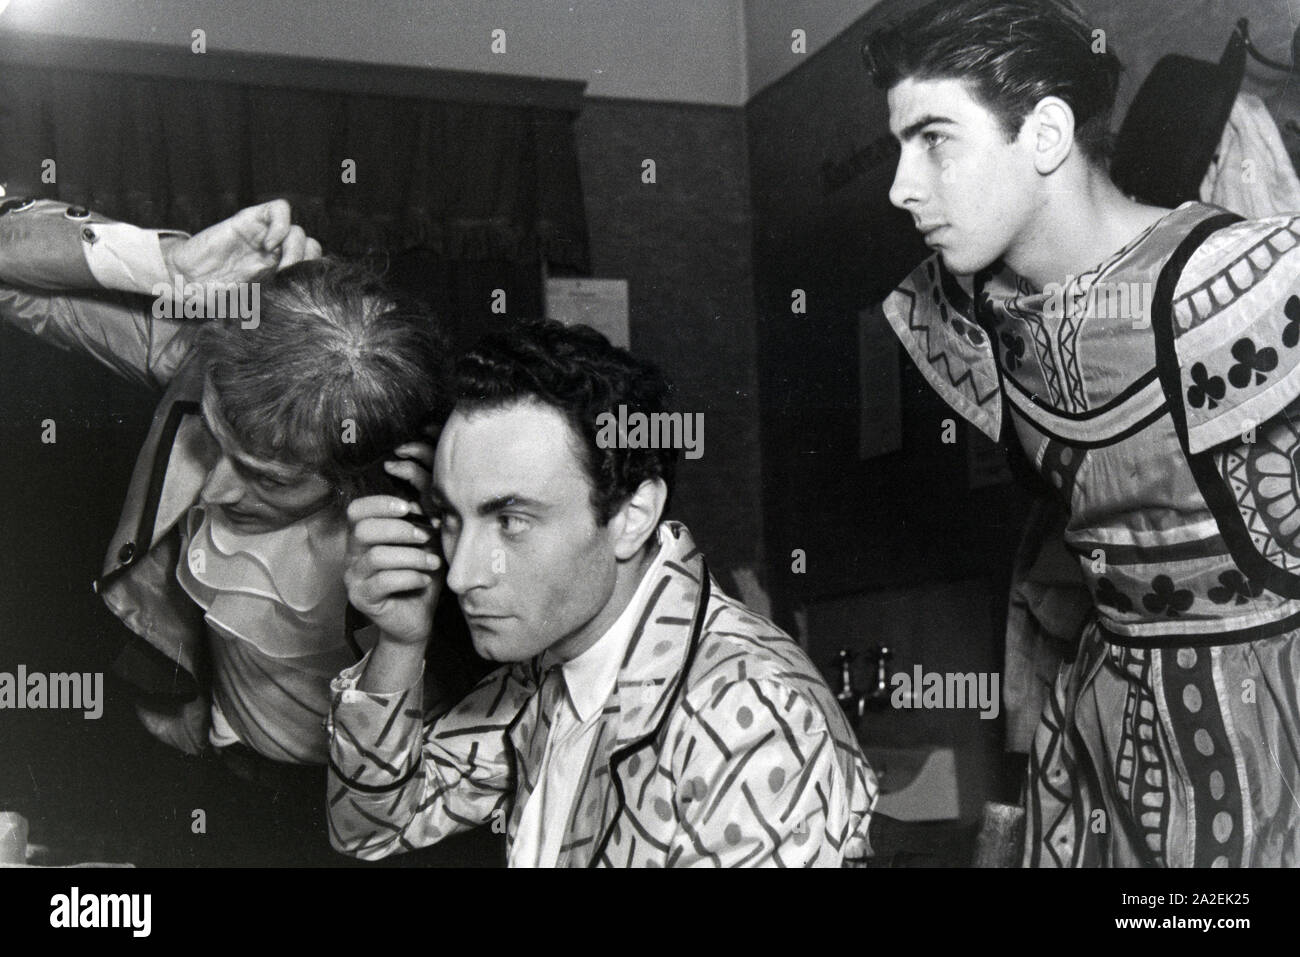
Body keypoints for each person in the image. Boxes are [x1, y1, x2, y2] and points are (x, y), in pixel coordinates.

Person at [865, 0, 1300, 866]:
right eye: (898, 146)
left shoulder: (1234, 288)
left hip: (1269, 748)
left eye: (936, 139)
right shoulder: (971, 322)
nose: (901, 186)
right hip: (1103, 746)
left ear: (1047, 133)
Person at [0, 197, 487, 863]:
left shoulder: (450, 522)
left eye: (269, 476)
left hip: (383, 821)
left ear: (360, 468)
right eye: (210, 435)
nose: (217, 488)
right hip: (217, 782)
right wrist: (165, 261)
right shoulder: (207, 366)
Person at [328, 318, 877, 866]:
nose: (460, 574)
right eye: (451, 517)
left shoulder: (749, 714)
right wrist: (400, 645)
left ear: (631, 517)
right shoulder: (548, 666)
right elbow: (371, 827)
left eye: (511, 520)